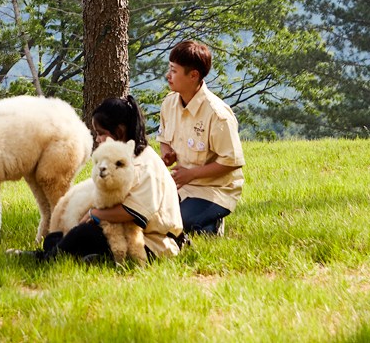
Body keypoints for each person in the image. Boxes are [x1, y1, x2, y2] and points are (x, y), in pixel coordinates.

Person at [26, 95, 183, 262]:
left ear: (120, 131)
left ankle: (48, 258)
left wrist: (95, 214)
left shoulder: (145, 165)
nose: (97, 139)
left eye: (100, 134)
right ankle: (83, 255)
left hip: (152, 243)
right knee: (57, 236)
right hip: (122, 231)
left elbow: (133, 213)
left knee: (83, 234)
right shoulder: (126, 159)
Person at [158, 40, 245, 239]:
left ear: (194, 75)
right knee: (152, 218)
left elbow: (232, 162)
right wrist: (167, 154)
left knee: (177, 223)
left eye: (173, 70)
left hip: (214, 190)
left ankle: (211, 224)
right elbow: (163, 138)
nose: (168, 75)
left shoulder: (217, 114)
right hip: (180, 186)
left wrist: (192, 174)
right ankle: (200, 226)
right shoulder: (169, 103)